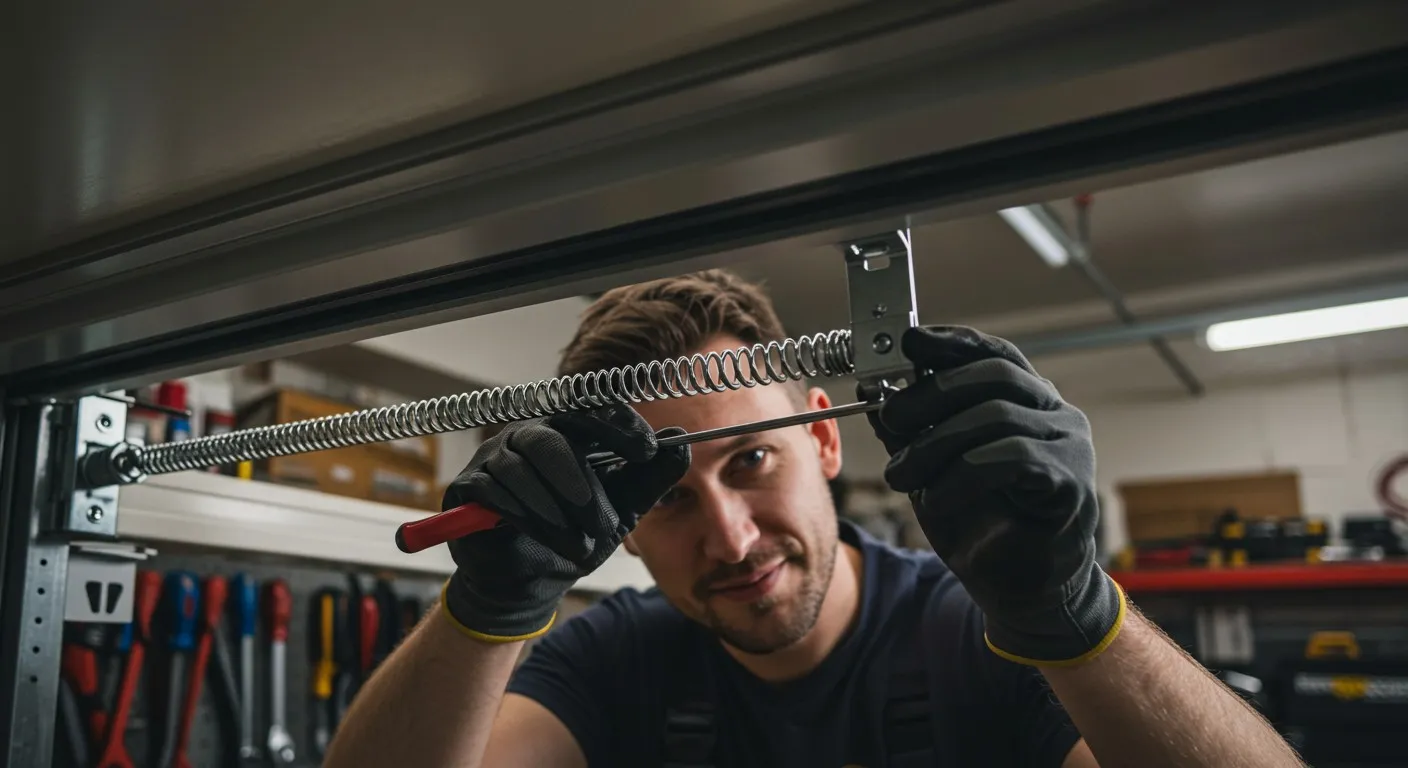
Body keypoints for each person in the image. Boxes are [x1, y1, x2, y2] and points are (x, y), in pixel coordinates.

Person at [327, 270, 1303, 767]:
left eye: (750, 461)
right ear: (618, 526)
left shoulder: (981, 641)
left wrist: (1073, 614)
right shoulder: (611, 661)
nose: (731, 536)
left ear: (826, 448)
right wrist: (483, 612)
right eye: (667, 498)